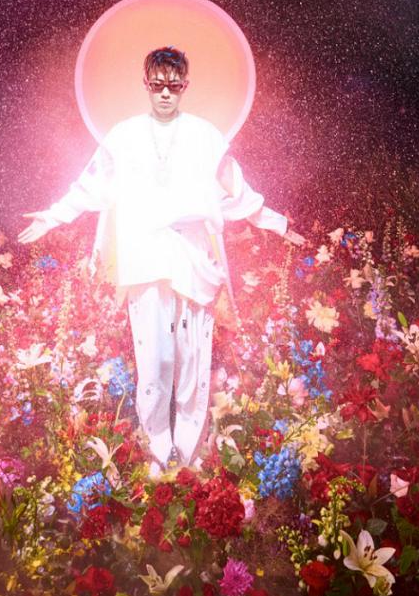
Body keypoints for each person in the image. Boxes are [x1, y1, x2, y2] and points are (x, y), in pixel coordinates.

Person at [19, 46, 304, 472]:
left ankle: (187, 453)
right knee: (154, 361)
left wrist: (278, 224)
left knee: (193, 361)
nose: (165, 94)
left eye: (173, 85)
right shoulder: (123, 136)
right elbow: (89, 188)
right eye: (157, 85)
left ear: (185, 85)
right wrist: (51, 217)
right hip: (146, 257)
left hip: (192, 257)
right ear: (146, 85)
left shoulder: (206, 136)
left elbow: (238, 190)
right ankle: (157, 449)